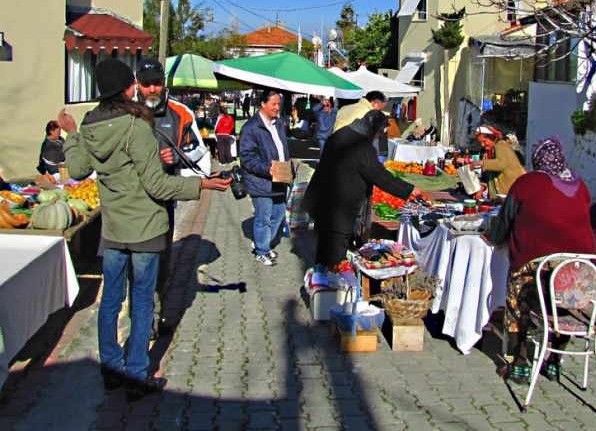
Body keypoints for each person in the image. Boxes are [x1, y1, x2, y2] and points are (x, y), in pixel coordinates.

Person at [58, 59, 231, 399]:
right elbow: (157, 186)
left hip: (113, 229)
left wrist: (71, 134)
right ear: (127, 87)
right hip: (146, 228)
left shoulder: (91, 123)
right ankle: (136, 373)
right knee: (140, 302)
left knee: (110, 301)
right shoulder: (135, 125)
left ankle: (111, 368)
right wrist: (202, 186)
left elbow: (77, 168)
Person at [489, 136, 596, 384]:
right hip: (582, 268)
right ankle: (554, 362)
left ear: (537, 159)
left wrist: (494, 237)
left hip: (537, 262)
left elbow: (506, 220)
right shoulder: (581, 186)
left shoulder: (527, 183)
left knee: (518, 296)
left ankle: (520, 361)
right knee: (565, 302)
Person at [136, 57, 210, 337]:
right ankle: (145, 324)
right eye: (146, 85)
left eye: (156, 84)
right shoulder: (126, 113)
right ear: (137, 85)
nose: (152, 90)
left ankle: (154, 314)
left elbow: (198, 152)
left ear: (163, 84)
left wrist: (175, 157)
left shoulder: (180, 113)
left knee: (161, 264)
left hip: (163, 203)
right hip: (131, 204)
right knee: (139, 271)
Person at [302, 110, 422, 268]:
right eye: (379, 133)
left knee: (323, 250)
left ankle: (318, 281)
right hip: (339, 211)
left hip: (322, 203)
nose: (379, 136)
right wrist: (409, 189)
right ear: (373, 129)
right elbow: (380, 176)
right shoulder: (361, 147)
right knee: (335, 260)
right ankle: (329, 287)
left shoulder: (341, 133)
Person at [239, 89, 291, 266]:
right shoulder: (251, 127)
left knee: (278, 213)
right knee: (264, 217)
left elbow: (282, 148)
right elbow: (246, 156)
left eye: (279, 104)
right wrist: (265, 168)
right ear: (263, 103)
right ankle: (261, 250)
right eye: (273, 104)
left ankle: (264, 244)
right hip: (261, 181)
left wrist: (288, 166)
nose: (277, 107)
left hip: (280, 177)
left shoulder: (278, 123)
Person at [471, 125, 526, 199]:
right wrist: (481, 187)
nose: (482, 145)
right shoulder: (486, 155)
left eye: (484, 141)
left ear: (491, 138)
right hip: (500, 198)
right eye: (480, 142)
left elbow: (501, 164)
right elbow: (488, 176)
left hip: (515, 193)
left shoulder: (501, 145)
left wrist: (480, 162)